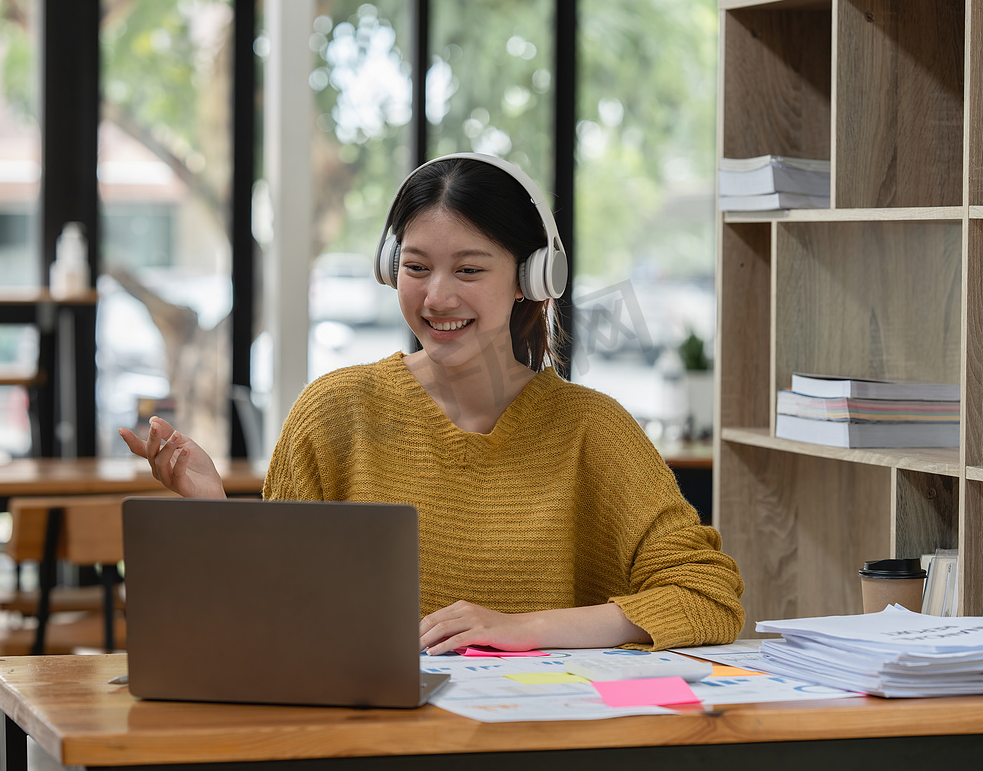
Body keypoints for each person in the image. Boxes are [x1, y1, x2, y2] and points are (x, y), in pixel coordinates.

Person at [119, 152, 744, 655]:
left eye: (469, 271)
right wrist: (214, 515)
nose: (437, 297)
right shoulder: (336, 413)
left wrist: (525, 629)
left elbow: (709, 596)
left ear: (531, 281)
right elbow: (274, 615)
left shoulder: (592, 430)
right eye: (416, 268)